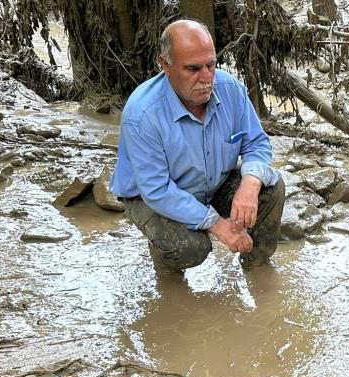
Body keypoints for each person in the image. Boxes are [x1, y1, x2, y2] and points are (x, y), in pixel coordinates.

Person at [111, 20, 285, 271]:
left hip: (213, 182)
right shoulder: (142, 114)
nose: (206, 78)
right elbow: (157, 189)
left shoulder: (230, 89)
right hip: (150, 196)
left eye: (211, 65)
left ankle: (258, 267)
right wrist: (219, 226)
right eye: (193, 69)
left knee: (272, 187)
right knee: (190, 249)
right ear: (165, 66)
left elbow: (256, 142)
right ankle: (166, 269)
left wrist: (249, 185)